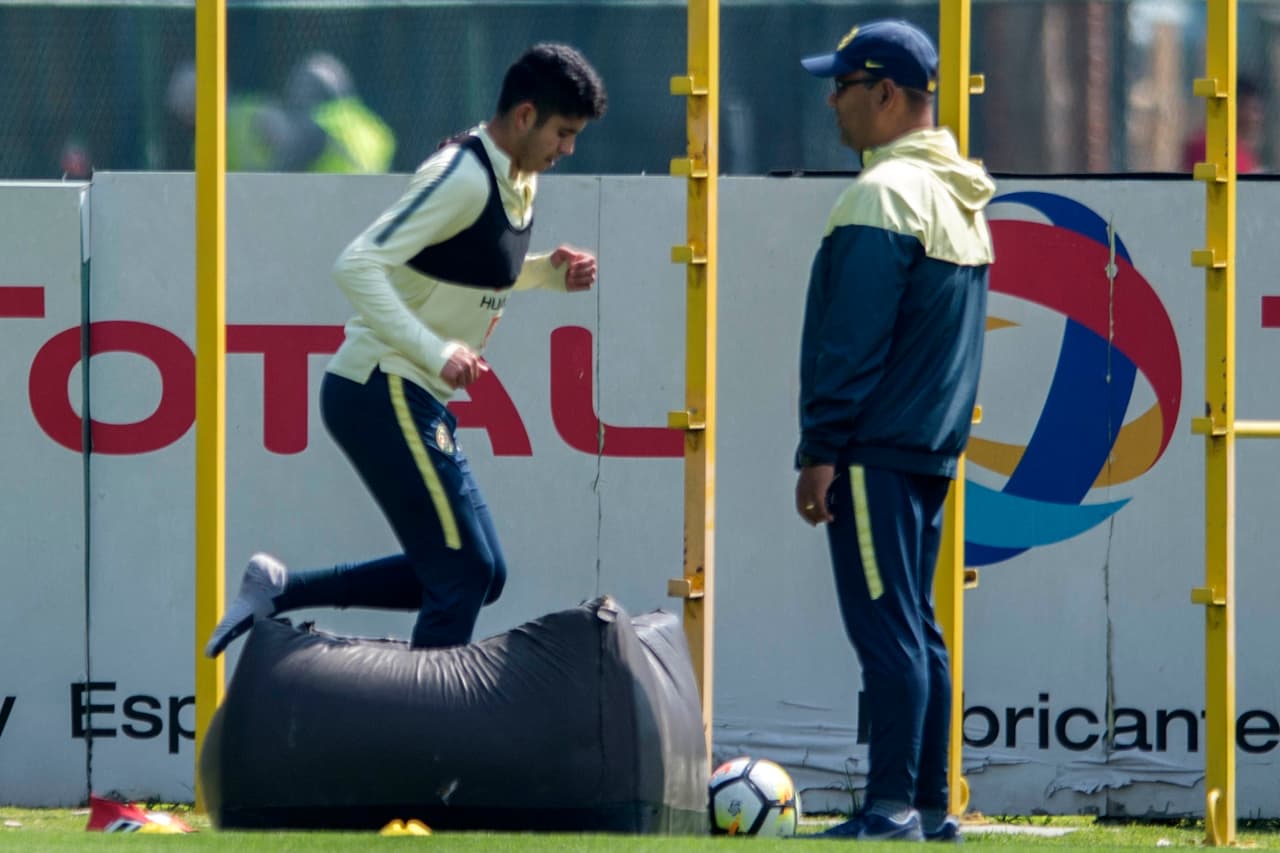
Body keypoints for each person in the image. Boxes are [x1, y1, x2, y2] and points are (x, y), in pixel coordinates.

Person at [205, 43, 607, 657]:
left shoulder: (517, 178)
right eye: (564, 132)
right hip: (380, 385)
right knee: (463, 573)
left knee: (482, 573)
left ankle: (280, 592)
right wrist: (434, 347)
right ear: (525, 116)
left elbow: (459, 268)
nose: (568, 150)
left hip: (409, 391)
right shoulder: (464, 177)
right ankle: (425, 737)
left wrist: (545, 275)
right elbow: (357, 264)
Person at [793, 20, 995, 843]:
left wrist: (821, 450)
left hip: (874, 448)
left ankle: (889, 810)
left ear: (884, 93)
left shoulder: (883, 194)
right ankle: (931, 806)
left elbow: (853, 339)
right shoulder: (957, 191)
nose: (832, 102)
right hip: (930, 448)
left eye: (842, 85)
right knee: (918, 627)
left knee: (888, 632)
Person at [279, 52, 396, 173]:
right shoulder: (374, 128)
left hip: (332, 191)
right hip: (377, 191)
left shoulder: (318, 126)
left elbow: (282, 176)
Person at [1180, 75, 1266, 173]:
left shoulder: (1244, 154)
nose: (1257, 118)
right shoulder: (1207, 146)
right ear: (1235, 107)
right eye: (1253, 110)